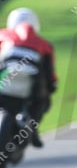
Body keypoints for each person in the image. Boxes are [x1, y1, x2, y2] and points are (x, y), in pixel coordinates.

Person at [0, 8, 57, 148]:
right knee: (43, 102)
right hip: (30, 87)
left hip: (3, 81)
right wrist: (51, 86)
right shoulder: (44, 44)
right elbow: (49, 73)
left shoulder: (2, 35)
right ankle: (32, 130)